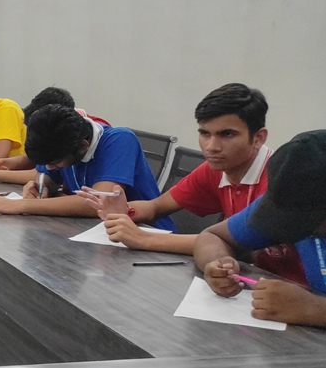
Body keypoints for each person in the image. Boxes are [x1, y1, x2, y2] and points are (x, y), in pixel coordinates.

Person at [79, 84, 278, 256]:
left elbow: (230, 241)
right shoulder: (215, 169)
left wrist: (142, 238)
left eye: (227, 134)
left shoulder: (279, 179)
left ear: (258, 138)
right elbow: (156, 207)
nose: (212, 146)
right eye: (205, 134)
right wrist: (123, 212)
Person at [0, 104, 176, 232]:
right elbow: (46, 177)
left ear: (83, 146)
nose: (51, 166)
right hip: (96, 234)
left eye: (55, 162)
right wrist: (39, 186)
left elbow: (98, 203)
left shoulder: (119, 140)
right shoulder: (61, 144)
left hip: (147, 234)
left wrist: (20, 205)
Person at [194, 130, 326, 325]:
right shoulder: (290, 198)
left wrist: (314, 310)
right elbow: (212, 236)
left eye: (307, 220)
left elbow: (312, 310)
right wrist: (218, 264)